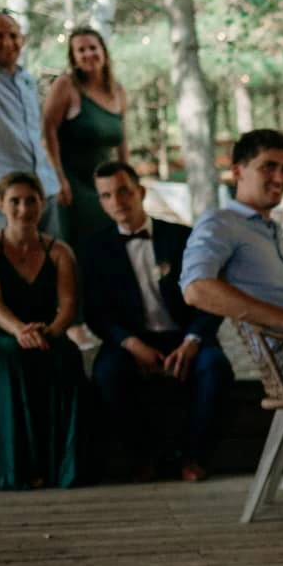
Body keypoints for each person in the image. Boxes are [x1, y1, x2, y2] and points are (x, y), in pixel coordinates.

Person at [80, 161, 232, 482]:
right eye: (106, 195)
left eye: (123, 191)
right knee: (107, 373)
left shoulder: (182, 238)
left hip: (184, 334)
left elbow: (212, 296)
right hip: (130, 340)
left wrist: (192, 341)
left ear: (141, 191)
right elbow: (96, 312)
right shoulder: (94, 250)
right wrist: (132, 345)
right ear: (101, 202)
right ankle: (142, 458)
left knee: (214, 367)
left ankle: (193, 456)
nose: (117, 201)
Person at [0, 173, 88, 489]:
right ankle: (15, 469)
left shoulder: (60, 251)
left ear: (42, 204)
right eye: (15, 201)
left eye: (31, 200)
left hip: (47, 334)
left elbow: (69, 306)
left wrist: (48, 332)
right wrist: (19, 331)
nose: (23, 209)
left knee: (68, 357)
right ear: (0, 204)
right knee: (10, 356)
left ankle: (61, 467)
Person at [180, 129, 283, 357]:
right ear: (237, 172)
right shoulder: (221, 223)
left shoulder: (278, 238)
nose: (280, 178)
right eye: (268, 167)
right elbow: (196, 289)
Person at [0, 10, 59, 233]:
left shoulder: (26, 79)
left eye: (13, 35)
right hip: (0, 185)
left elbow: (37, 136)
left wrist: (56, 180)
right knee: (17, 256)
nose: (7, 42)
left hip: (43, 185)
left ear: (22, 39)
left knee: (52, 255)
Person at [41, 26, 128, 247]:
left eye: (93, 47)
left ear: (103, 52)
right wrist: (58, 178)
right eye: (81, 50)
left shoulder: (117, 91)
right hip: (73, 186)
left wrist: (128, 178)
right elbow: (47, 129)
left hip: (108, 188)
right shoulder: (66, 85)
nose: (88, 54)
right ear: (74, 57)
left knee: (111, 248)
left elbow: (122, 139)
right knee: (78, 251)